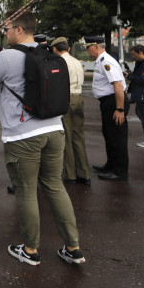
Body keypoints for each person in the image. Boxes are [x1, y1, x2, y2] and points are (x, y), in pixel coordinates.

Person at [0, 9, 85, 266]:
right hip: (54, 130)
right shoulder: (47, 52)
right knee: (55, 187)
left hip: (23, 136)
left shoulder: (9, 57)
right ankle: (73, 247)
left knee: (26, 191)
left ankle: (31, 250)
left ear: (19, 30)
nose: (5, 33)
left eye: (7, 29)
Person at [85, 36, 128, 181]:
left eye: (88, 46)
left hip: (114, 102)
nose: (86, 50)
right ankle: (111, 165)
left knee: (117, 137)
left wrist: (120, 109)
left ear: (96, 46)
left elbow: (118, 86)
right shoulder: (101, 61)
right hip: (108, 102)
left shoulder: (106, 61)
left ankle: (120, 172)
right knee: (109, 135)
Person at [51, 37, 90, 185]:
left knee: (66, 136)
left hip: (66, 98)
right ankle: (84, 172)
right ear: (67, 48)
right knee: (78, 136)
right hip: (78, 97)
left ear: (55, 49)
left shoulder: (59, 62)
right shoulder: (76, 61)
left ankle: (70, 173)